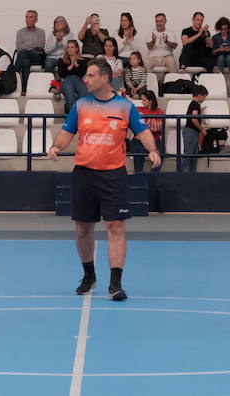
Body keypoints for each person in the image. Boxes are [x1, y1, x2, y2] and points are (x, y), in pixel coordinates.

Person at [48, 58, 159, 300]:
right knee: (82, 229)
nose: (85, 79)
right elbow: (67, 132)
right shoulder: (80, 105)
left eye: (90, 75)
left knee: (116, 226)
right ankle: (89, 275)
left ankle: (116, 283)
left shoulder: (125, 106)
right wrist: (56, 147)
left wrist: (153, 150)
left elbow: (142, 131)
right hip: (84, 173)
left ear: (105, 78)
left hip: (113, 174)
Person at [11, 10, 47, 94]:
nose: (28, 19)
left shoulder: (41, 32)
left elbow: (41, 45)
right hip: (25, 56)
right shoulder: (20, 32)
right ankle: (24, 88)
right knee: (25, 61)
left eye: (31, 17)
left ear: (36, 20)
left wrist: (26, 45)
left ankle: (13, 76)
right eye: (26, 17)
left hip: (37, 57)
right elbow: (19, 47)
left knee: (23, 53)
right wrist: (33, 46)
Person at [129, 90, 164, 173]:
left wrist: (142, 123)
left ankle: (153, 177)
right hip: (138, 140)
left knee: (161, 153)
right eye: (142, 100)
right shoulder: (138, 109)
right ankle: (138, 176)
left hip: (155, 140)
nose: (142, 102)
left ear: (151, 101)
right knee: (138, 151)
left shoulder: (160, 112)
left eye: (144, 100)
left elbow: (157, 127)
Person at [55, 40, 88, 112]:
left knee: (85, 93)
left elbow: (81, 73)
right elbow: (62, 74)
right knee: (70, 95)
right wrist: (71, 65)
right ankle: (72, 117)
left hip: (78, 80)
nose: (70, 49)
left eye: (72, 47)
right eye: (68, 47)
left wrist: (76, 63)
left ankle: (81, 115)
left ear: (76, 49)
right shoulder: (62, 60)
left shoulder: (82, 60)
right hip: (67, 80)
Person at [182, 85, 207, 172]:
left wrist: (201, 111)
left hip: (191, 131)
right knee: (189, 155)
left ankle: (192, 175)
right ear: (199, 95)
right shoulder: (196, 104)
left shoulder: (193, 104)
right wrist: (201, 129)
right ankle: (178, 173)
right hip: (191, 132)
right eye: (204, 97)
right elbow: (194, 119)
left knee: (193, 156)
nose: (204, 99)